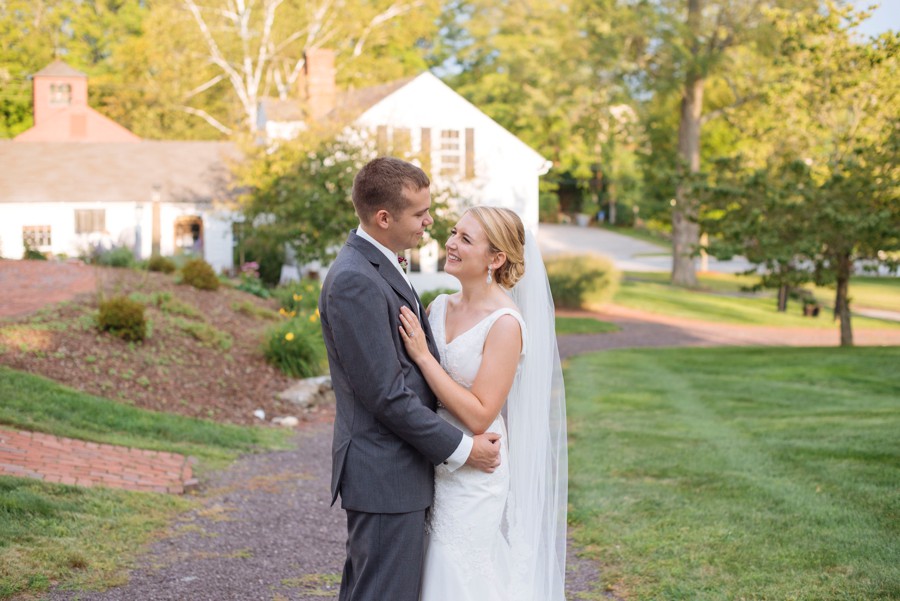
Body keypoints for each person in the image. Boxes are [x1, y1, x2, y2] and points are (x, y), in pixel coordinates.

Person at [318, 157, 502, 601]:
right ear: (384, 218)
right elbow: (387, 396)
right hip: (385, 475)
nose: (430, 222)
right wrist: (464, 449)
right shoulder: (355, 280)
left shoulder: (379, 264)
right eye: (420, 213)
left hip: (399, 472)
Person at [399, 206, 568, 600]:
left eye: (465, 239)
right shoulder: (439, 307)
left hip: (476, 468)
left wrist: (424, 356)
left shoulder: (505, 323)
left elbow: (480, 414)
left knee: (455, 570)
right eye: (453, 233)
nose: (451, 243)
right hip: (433, 455)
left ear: (496, 259)